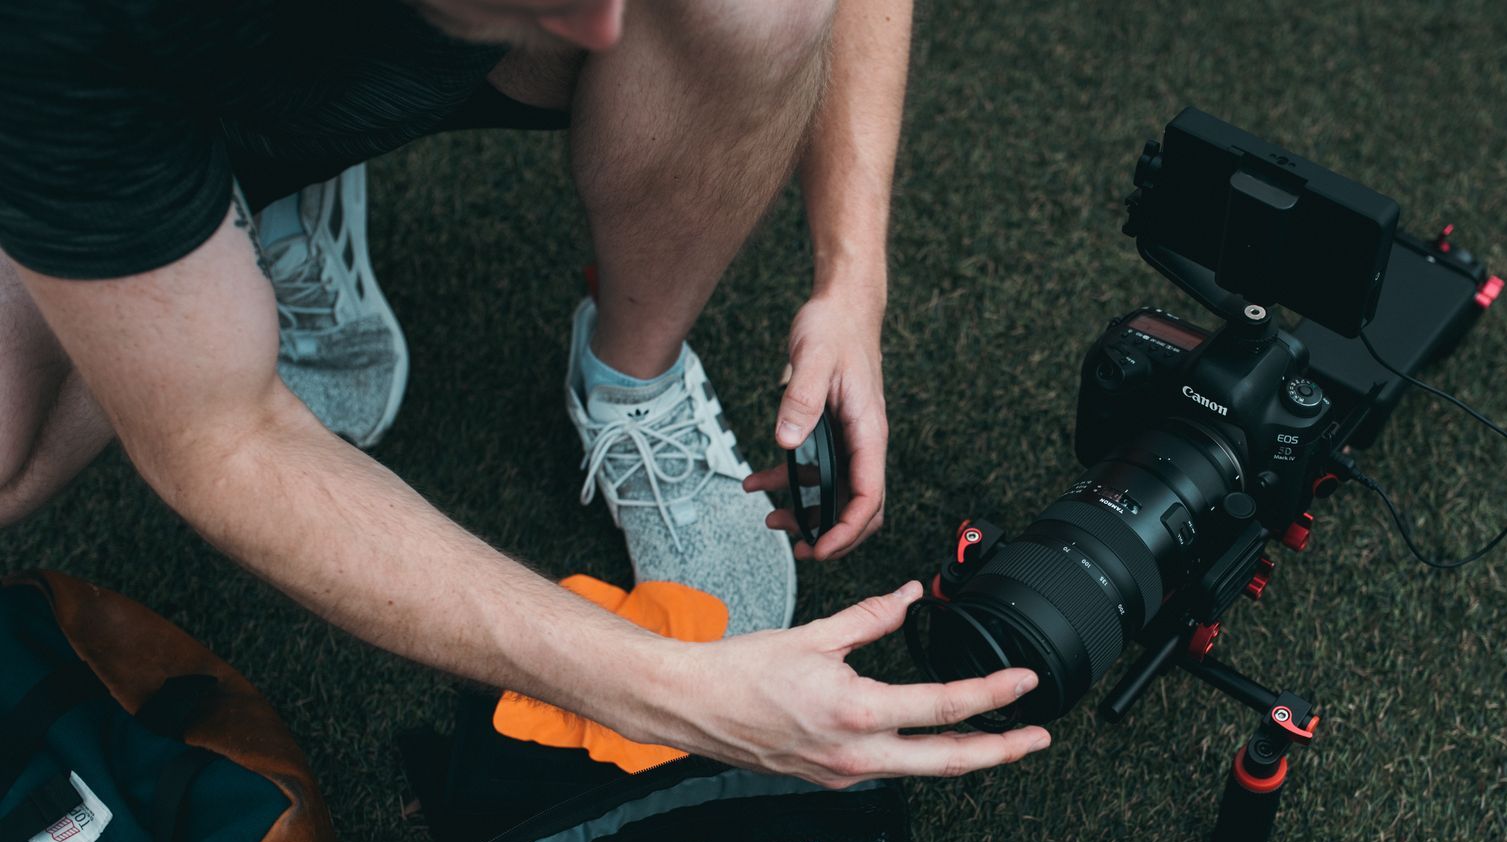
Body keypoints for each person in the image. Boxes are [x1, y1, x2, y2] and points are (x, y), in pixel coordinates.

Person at [0, 0, 1050, 787]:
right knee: (14, 449)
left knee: (747, 6)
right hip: (132, 81)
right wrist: (670, 690)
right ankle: (205, 217)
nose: (603, 21)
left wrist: (852, 276)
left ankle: (630, 380)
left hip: (340, 42)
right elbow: (220, 441)